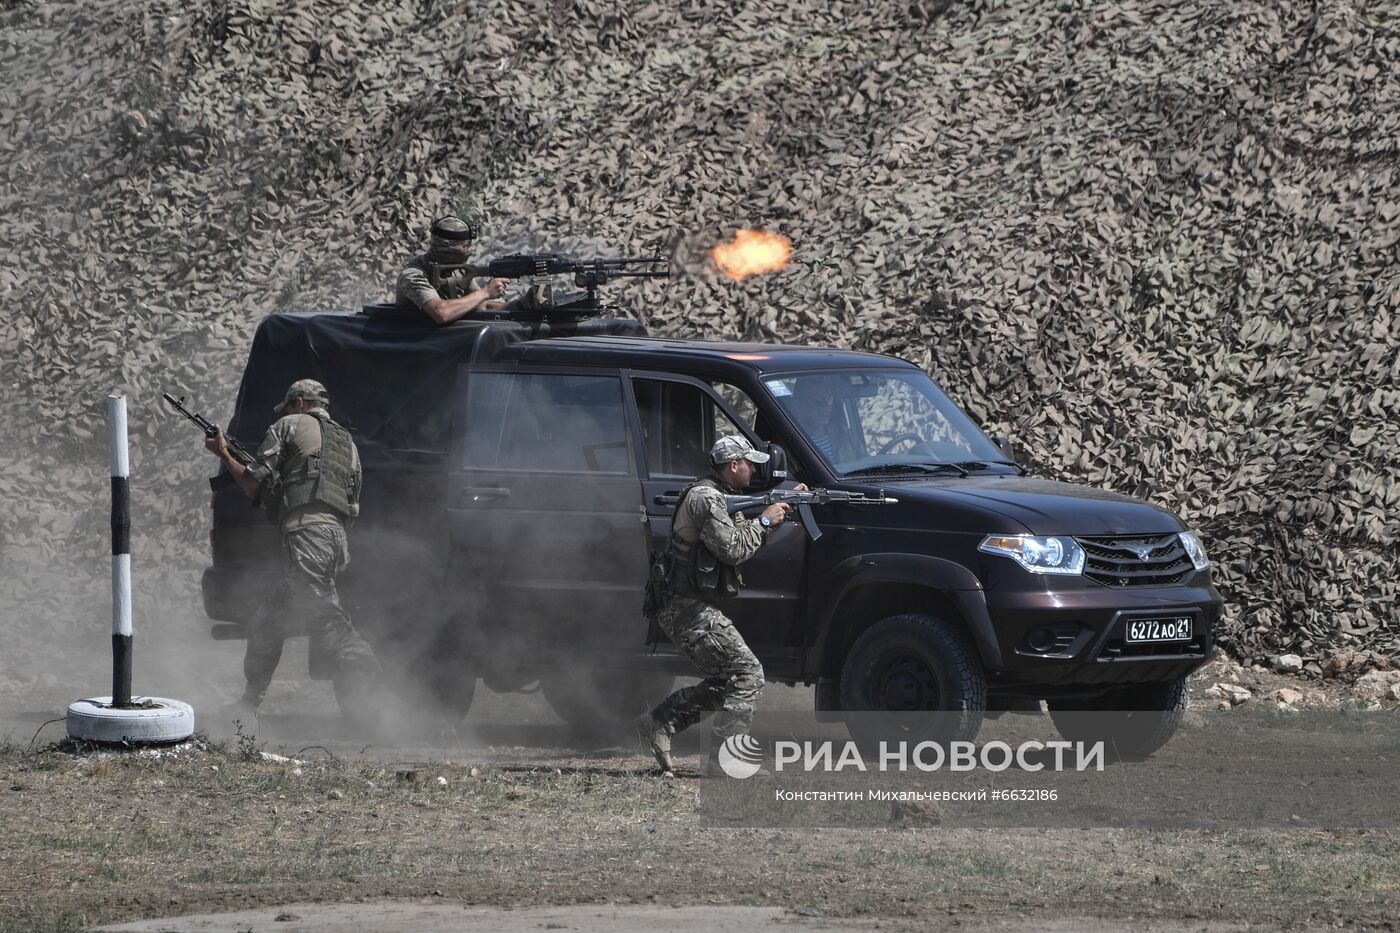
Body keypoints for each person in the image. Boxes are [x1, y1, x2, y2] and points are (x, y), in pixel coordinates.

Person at [204, 379, 384, 728]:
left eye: (288, 406)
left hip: (307, 540)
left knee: (329, 625)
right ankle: (247, 707)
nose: (285, 413)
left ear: (299, 403)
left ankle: (389, 701)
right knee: (267, 622)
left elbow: (253, 484)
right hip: (331, 541)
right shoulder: (347, 443)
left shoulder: (289, 425)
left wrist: (223, 453)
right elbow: (347, 504)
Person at [636, 435, 805, 776]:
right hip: (687, 609)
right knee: (747, 673)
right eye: (749, 463)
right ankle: (725, 762)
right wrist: (767, 519)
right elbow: (733, 551)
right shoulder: (707, 499)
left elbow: (745, 541)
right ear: (734, 465)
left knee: (728, 680)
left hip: (689, 606)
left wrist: (780, 513)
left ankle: (659, 721)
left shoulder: (720, 497)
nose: (754, 468)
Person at [394, 216, 513, 324]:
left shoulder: (458, 269)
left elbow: (482, 307)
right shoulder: (413, 275)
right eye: (465, 245)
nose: (469, 250)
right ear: (447, 246)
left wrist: (519, 305)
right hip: (416, 340)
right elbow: (441, 313)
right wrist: (486, 292)